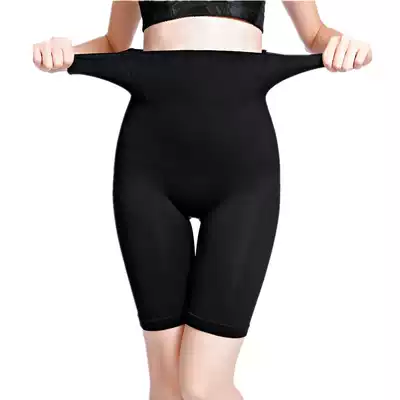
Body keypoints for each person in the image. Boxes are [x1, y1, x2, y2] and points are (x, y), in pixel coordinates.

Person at [32, 1, 372, 399]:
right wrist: (64, 52)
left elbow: (316, 34)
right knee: (167, 386)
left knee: (201, 386)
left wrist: (345, 45)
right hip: (149, 170)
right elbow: (112, 43)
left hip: (242, 175)